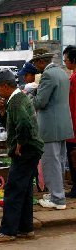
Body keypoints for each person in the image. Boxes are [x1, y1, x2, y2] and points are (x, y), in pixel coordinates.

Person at [0, 70, 44, 242]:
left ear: (5, 85)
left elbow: (25, 124)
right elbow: (12, 124)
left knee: (13, 190)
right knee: (25, 190)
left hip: (26, 150)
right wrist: (2, 111)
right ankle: (25, 228)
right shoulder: (13, 100)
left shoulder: (17, 100)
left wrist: (20, 142)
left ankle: (8, 231)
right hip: (32, 149)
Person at [31, 48, 73, 209]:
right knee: (59, 161)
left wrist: (28, 95)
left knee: (51, 162)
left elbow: (40, 102)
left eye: (36, 63)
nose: (36, 66)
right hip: (62, 123)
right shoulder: (62, 72)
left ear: (42, 61)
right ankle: (58, 193)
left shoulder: (47, 75)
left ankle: (57, 198)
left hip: (50, 125)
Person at [63, 45, 76, 198]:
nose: (65, 62)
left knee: (73, 157)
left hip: (73, 125)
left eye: (66, 60)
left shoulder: (73, 79)